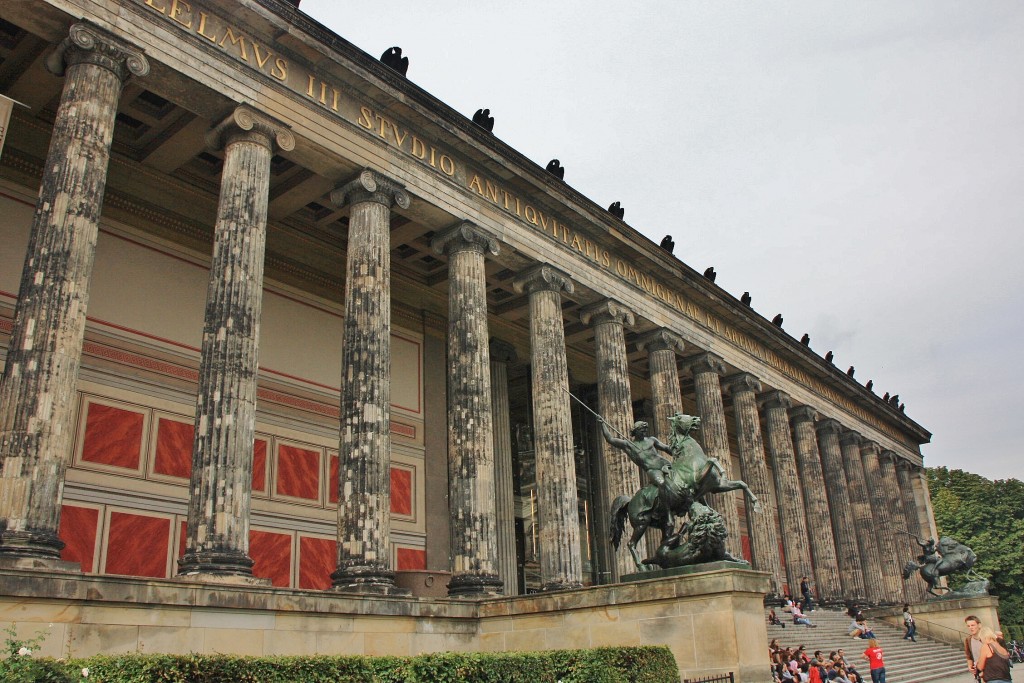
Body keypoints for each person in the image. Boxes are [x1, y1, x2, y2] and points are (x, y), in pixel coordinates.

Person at [966, 615, 984, 681]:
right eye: (968, 626)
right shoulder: (968, 640)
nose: (971, 628)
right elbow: (969, 656)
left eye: (973, 625)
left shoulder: (986, 638)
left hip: (990, 671)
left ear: (979, 625)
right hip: (978, 672)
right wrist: (970, 666)